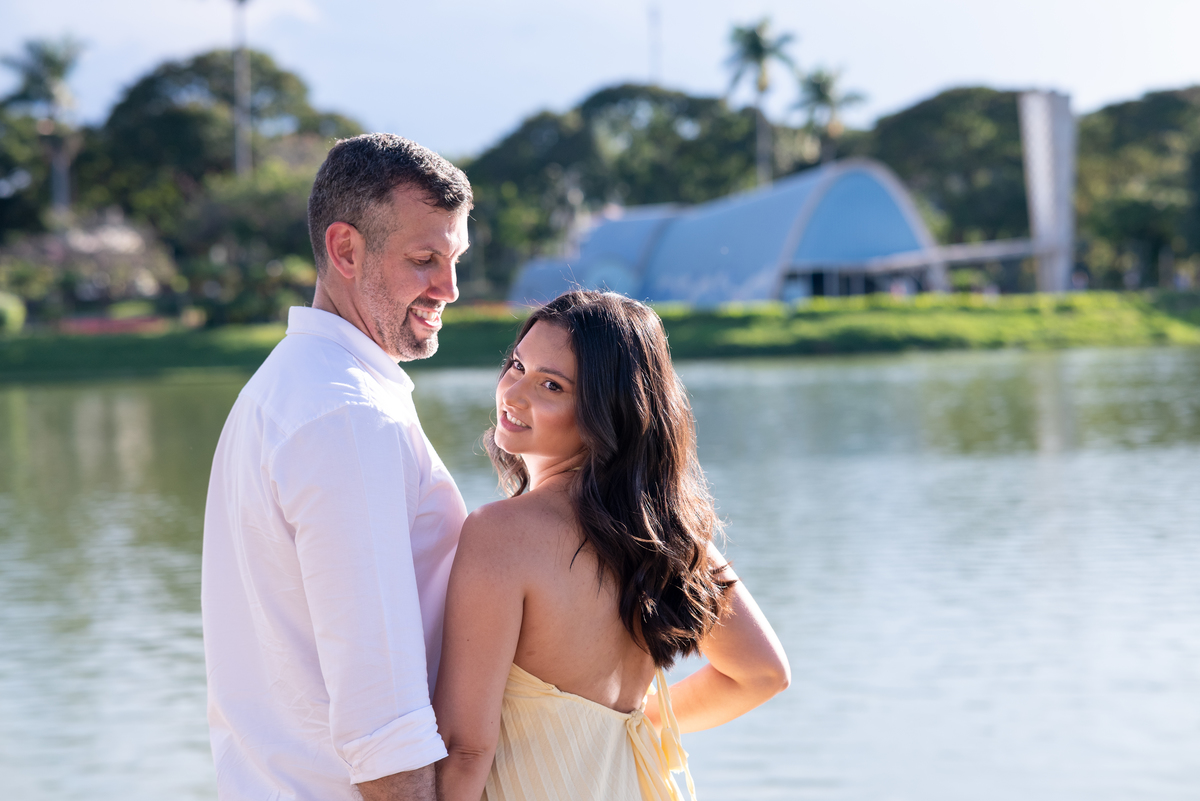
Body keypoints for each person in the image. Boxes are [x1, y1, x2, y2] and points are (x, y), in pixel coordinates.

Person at [433, 290, 790, 800]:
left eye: (550, 385)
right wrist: (637, 726)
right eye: (516, 365)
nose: (512, 394)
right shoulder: (672, 537)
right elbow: (763, 673)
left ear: (606, 411)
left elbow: (465, 748)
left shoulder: (501, 534)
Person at [201, 133, 472, 801]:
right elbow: (384, 723)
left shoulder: (293, 387)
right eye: (424, 259)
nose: (451, 287)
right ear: (346, 250)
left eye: (455, 258)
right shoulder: (346, 416)